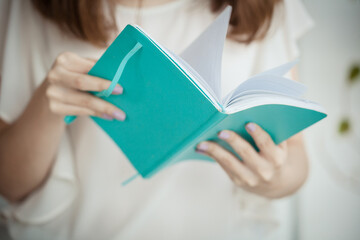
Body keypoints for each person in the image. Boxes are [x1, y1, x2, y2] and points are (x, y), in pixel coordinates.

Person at [0, 0, 314, 239]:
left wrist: (275, 177)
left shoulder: (266, 6)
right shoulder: (29, 8)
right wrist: (45, 105)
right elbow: (9, 185)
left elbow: (296, 157)